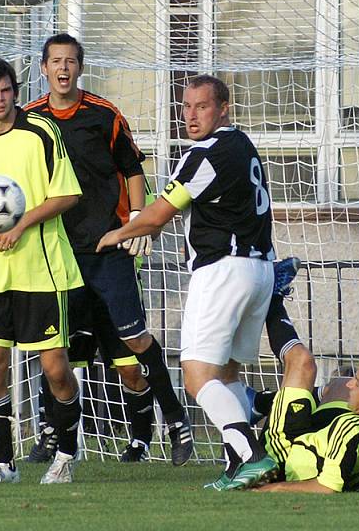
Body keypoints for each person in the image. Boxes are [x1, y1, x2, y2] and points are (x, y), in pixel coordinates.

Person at [97, 74, 277, 488]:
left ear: (224, 108)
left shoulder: (203, 154)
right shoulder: (242, 145)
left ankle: (252, 454)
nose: (191, 116)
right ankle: (240, 456)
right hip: (259, 270)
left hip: (223, 272)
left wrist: (118, 233)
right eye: (186, 107)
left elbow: (159, 213)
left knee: (197, 376)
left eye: (202, 106)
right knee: (226, 375)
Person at [23, 33, 192, 465]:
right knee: (57, 349)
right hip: (58, 254)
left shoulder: (104, 114)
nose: (63, 68)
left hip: (107, 248)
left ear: (80, 67)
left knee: (133, 347)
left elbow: (132, 168)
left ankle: (172, 423)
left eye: (71, 61)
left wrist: (137, 219)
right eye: (56, 61)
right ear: (43, 68)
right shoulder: (30, 122)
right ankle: (53, 436)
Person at [0, 57, 83, 484]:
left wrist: (21, 223)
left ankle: (66, 454)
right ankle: (2, 465)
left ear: (15, 91)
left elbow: (67, 195)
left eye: (6, 89)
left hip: (43, 268)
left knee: (54, 369)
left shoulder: (41, 132)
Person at [248, 287, 359, 492]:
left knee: (303, 363)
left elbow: (327, 487)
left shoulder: (350, 428)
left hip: (286, 452)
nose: (350, 384)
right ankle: (260, 402)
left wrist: (270, 488)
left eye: (357, 382)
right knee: (338, 384)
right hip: (321, 440)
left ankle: (273, 298)